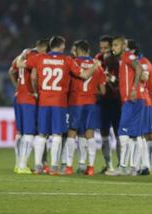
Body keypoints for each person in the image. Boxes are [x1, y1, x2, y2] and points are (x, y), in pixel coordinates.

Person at [16, 35, 100, 175]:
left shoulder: (40, 58)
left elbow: (20, 65)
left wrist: (22, 55)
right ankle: (54, 167)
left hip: (43, 102)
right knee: (57, 135)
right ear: (61, 46)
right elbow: (84, 75)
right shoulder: (67, 60)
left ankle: (38, 167)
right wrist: (95, 66)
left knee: (42, 134)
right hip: (60, 103)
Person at [61, 40, 106, 175]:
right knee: (89, 134)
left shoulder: (73, 64)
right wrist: (91, 92)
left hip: (76, 102)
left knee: (72, 132)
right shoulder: (97, 65)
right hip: (91, 103)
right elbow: (103, 91)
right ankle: (90, 167)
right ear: (88, 50)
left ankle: (68, 166)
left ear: (78, 50)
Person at [107, 36, 147, 176]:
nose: (113, 48)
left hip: (132, 100)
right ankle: (133, 168)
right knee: (133, 135)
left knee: (123, 133)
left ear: (124, 46)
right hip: (133, 100)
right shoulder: (123, 60)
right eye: (113, 46)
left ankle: (123, 167)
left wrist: (134, 89)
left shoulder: (127, 57)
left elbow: (139, 69)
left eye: (116, 45)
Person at [8, 39, 49, 174]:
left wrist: (18, 86)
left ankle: (17, 164)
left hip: (18, 97)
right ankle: (22, 165)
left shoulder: (22, 55)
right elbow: (33, 76)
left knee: (20, 133)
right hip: (29, 99)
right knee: (29, 133)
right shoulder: (36, 57)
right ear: (44, 50)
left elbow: (11, 71)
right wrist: (35, 91)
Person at [127, 39, 152, 176]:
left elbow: (145, 77)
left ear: (133, 51)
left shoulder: (144, 63)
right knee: (145, 134)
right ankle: (146, 165)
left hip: (151, 100)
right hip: (143, 100)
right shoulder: (134, 62)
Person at [95, 35, 121, 173]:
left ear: (112, 47)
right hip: (102, 101)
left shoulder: (118, 60)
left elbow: (121, 82)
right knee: (104, 133)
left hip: (117, 101)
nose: (103, 50)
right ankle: (108, 165)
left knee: (118, 134)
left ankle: (120, 165)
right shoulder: (98, 58)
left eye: (106, 48)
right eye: (101, 48)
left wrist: (108, 77)